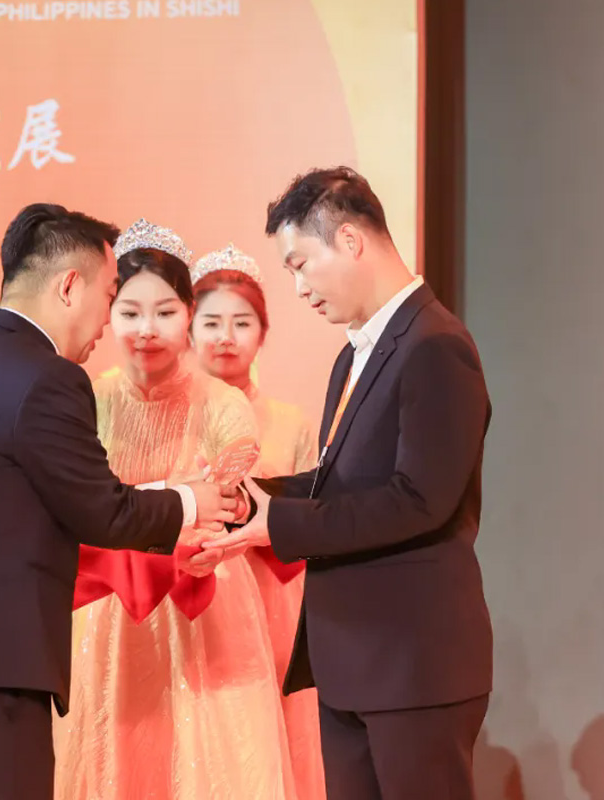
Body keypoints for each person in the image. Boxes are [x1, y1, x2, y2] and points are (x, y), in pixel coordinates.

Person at [0, 204, 237, 800]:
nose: (108, 322)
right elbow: (102, 511)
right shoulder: (47, 376)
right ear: (69, 286)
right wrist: (193, 501)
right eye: (111, 297)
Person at [205, 167, 493, 800]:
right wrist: (252, 497)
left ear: (350, 240)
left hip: (414, 666)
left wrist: (280, 525)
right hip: (354, 664)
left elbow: (419, 499)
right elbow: (341, 480)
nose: (299, 288)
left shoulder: (435, 345)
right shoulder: (355, 352)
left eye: (301, 265)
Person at [54, 220, 299, 800]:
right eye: (129, 312)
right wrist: (175, 496)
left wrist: (180, 508)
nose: (146, 329)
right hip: (113, 611)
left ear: (189, 312)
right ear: (108, 313)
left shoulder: (221, 402)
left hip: (206, 606)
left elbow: (227, 480)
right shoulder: (87, 400)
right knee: (118, 757)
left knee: (215, 762)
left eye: (164, 312)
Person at [190, 244, 326, 798]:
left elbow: (314, 518)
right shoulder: (174, 417)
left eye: (241, 323)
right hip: (196, 597)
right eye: (211, 322)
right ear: (188, 328)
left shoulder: (291, 423)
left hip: (273, 596)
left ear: (263, 333)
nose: (226, 337)